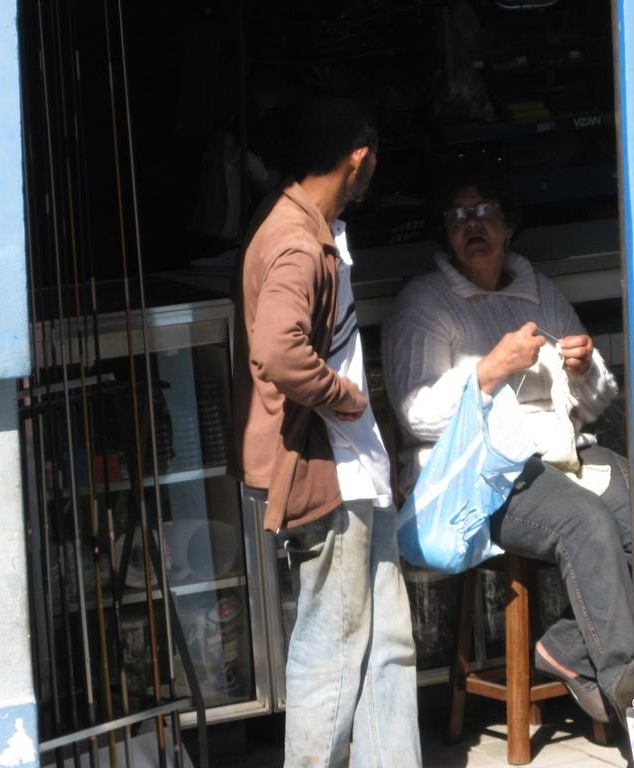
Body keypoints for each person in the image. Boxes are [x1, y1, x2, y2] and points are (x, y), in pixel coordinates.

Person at [381, 169, 634, 726]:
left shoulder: (540, 292)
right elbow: (415, 413)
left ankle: (568, 649)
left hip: (557, 452)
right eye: (457, 216)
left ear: (508, 225)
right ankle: (631, 693)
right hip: (481, 476)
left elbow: (590, 407)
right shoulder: (424, 306)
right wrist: (489, 372)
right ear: (445, 234)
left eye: (483, 212)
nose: (471, 225)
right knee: (586, 523)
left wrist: (585, 367)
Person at [232, 96, 422, 768]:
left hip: (352, 470)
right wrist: (345, 400)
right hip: (326, 474)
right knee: (335, 647)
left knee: (387, 641)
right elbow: (279, 351)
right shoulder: (294, 240)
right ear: (358, 158)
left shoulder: (308, 223)